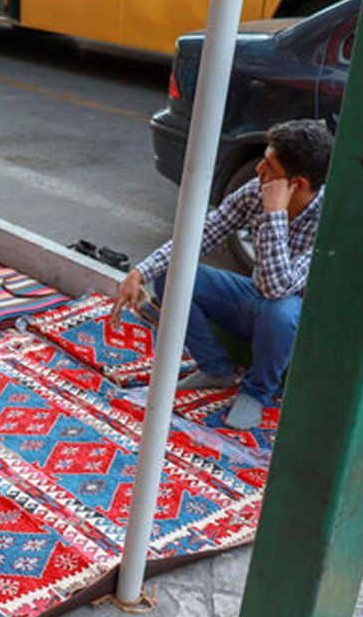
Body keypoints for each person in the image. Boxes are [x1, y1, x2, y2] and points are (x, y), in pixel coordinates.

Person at [111, 119, 334, 430]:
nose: (258, 171)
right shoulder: (255, 191)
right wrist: (140, 271)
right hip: (254, 299)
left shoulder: (329, 219)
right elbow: (200, 236)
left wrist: (274, 215)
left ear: (296, 184)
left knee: (279, 311)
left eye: (269, 166)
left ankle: (257, 392)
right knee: (173, 275)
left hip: (292, 325)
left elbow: (278, 288)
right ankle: (216, 369)